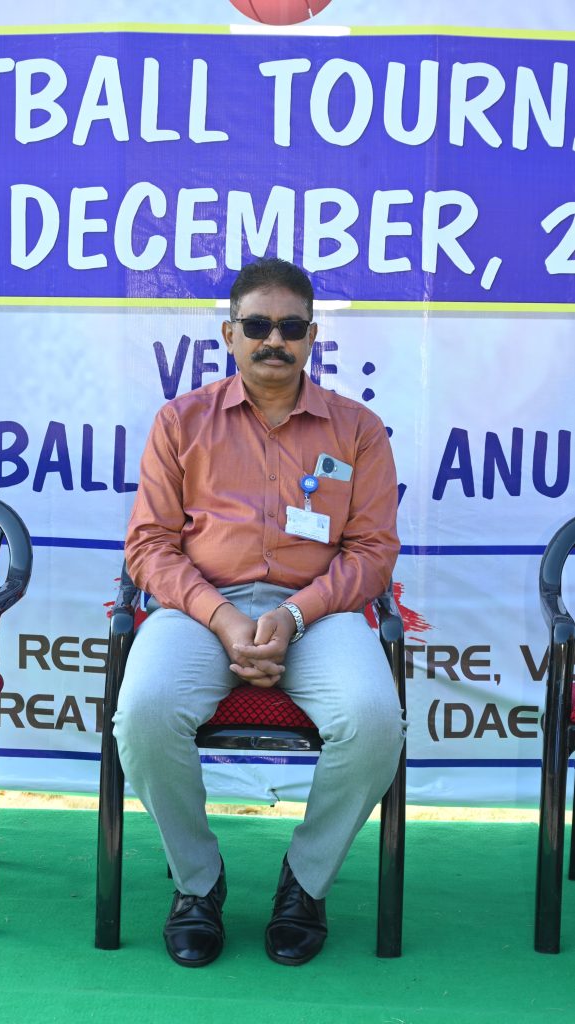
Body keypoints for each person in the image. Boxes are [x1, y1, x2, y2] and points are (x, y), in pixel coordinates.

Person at [114, 258, 405, 967]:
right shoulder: (180, 421)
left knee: (374, 721)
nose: (274, 340)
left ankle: (304, 882)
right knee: (143, 712)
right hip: (198, 607)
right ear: (229, 333)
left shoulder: (358, 429)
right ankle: (196, 883)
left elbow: (372, 551)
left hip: (320, 613)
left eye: (291, 327)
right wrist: (221, 616)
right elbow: (149, 546)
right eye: (257, 325)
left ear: (312, 337)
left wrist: (296, 615)